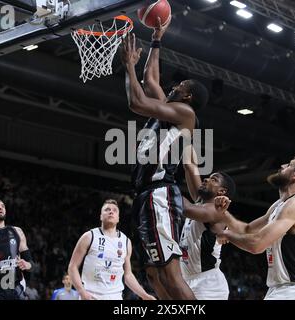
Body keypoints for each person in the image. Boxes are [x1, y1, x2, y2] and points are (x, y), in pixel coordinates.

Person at [121, 16, 209, 300]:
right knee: (153, 274)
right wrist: (157, 39)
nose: (174, 86)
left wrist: (128, 67)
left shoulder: (185, 115)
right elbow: (151, 79)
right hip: (145, 194)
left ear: (189, 95)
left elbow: (137, 102)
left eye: (180, 84)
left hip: (161, 193)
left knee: (170, 273)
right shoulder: (168, 108)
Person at [217, 153, 295, 300]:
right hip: (281, 289)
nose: (282, 166)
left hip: (293, 290)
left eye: (289, 165)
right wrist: (222, 212)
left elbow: (256, 244)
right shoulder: (279, 205)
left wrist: (227, 235)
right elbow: (247, 229)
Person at [68, 199, 156, 300]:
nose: (111, 211)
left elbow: (128, 275)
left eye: (114, 210)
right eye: (107, 209)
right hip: (90, 295)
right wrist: (82, 292)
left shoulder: (126, 242)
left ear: (118, 218)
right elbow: (72, 267)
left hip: (115, 296)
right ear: (101, 216)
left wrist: (145, 296)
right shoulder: (89, 236)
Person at [180, 160, 236, 299]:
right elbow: (189, 165)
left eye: (213, 179)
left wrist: (164, 186)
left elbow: (184, 208)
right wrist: (186, 139)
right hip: (188, 279)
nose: (206, 179)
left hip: (208, 284)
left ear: (221, 191)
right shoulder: (200, 204)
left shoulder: (216, 211)